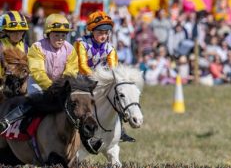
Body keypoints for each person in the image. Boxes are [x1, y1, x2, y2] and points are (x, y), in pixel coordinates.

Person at [0, 13, 78, 132]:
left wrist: (61, 86)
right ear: (48, 34)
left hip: (57, 86)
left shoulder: (70, 49)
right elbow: (37, 72)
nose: (60, 38)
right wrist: (52, 87)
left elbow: (71, 70)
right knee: (34, 102)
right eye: (56, 35)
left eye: (63, 35)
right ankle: (7, 121)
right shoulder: (37, 47)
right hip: (37, 85)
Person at [75, 11, 135, 142]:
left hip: (100, 81)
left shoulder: (110, 48)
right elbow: (82, 66)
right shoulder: (81, 43)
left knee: (117, 96)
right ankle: (77, 128)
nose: (103, 36)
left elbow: (113, 68)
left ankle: (120, 131)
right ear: (92, 31)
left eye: (106, 33)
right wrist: (98, 78)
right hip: (81, 79)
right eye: (100, 33)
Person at [0, 11, 29, 79]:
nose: (18, 34)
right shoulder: (1, 45)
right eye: (14, 32)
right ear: (7, 32)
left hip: (18, 85)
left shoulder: (26, 48)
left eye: (21, 31)